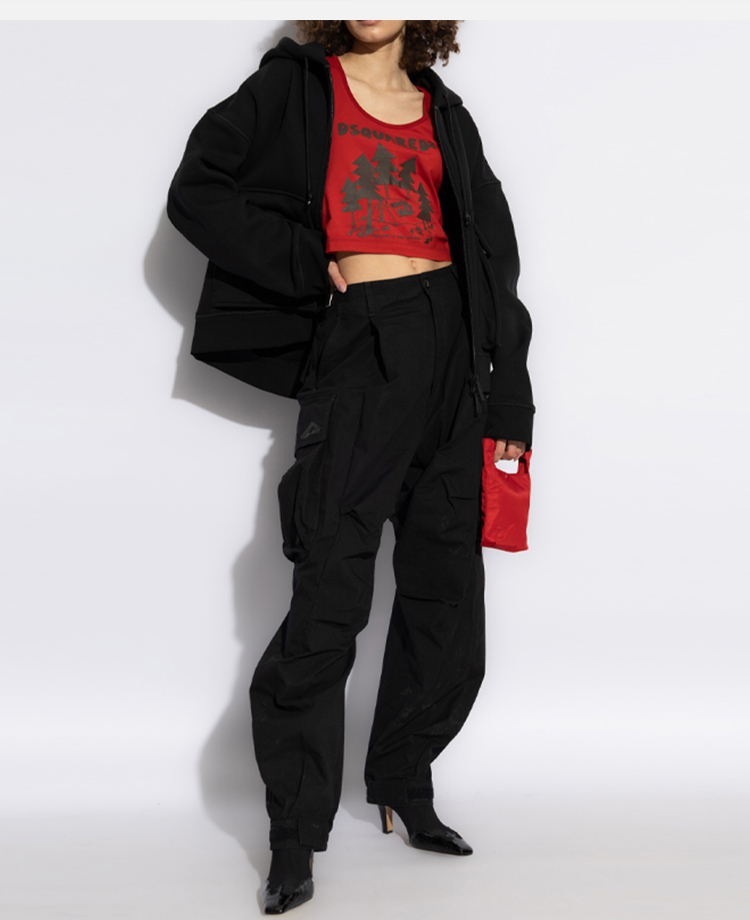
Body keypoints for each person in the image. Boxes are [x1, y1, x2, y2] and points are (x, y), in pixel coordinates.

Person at [167, 20, 534, 915]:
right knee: (331, 589)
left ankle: (404, 783)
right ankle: (294, 835)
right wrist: (307, 259)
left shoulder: (446, 113)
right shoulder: (295, 88)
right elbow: (199, 190)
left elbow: (496, 258)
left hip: (458, 356)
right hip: (365, 342)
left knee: (448, 594)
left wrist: (511, 399)